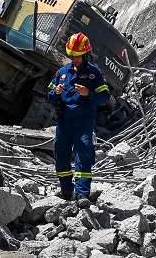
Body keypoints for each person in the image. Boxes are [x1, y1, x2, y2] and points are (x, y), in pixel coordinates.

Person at [48, 32, 110, 208]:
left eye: (78, 56)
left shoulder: (94, 73)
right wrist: (56, 93)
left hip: (84, 122)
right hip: (64, 122)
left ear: (85, 54)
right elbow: (50, 96)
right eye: (72, 56)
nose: (75, 59)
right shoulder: (61, 73)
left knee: (84, 154)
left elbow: (105, 98)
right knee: (61, 154)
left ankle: (82, 194)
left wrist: (88, 93)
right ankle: (67, 190)